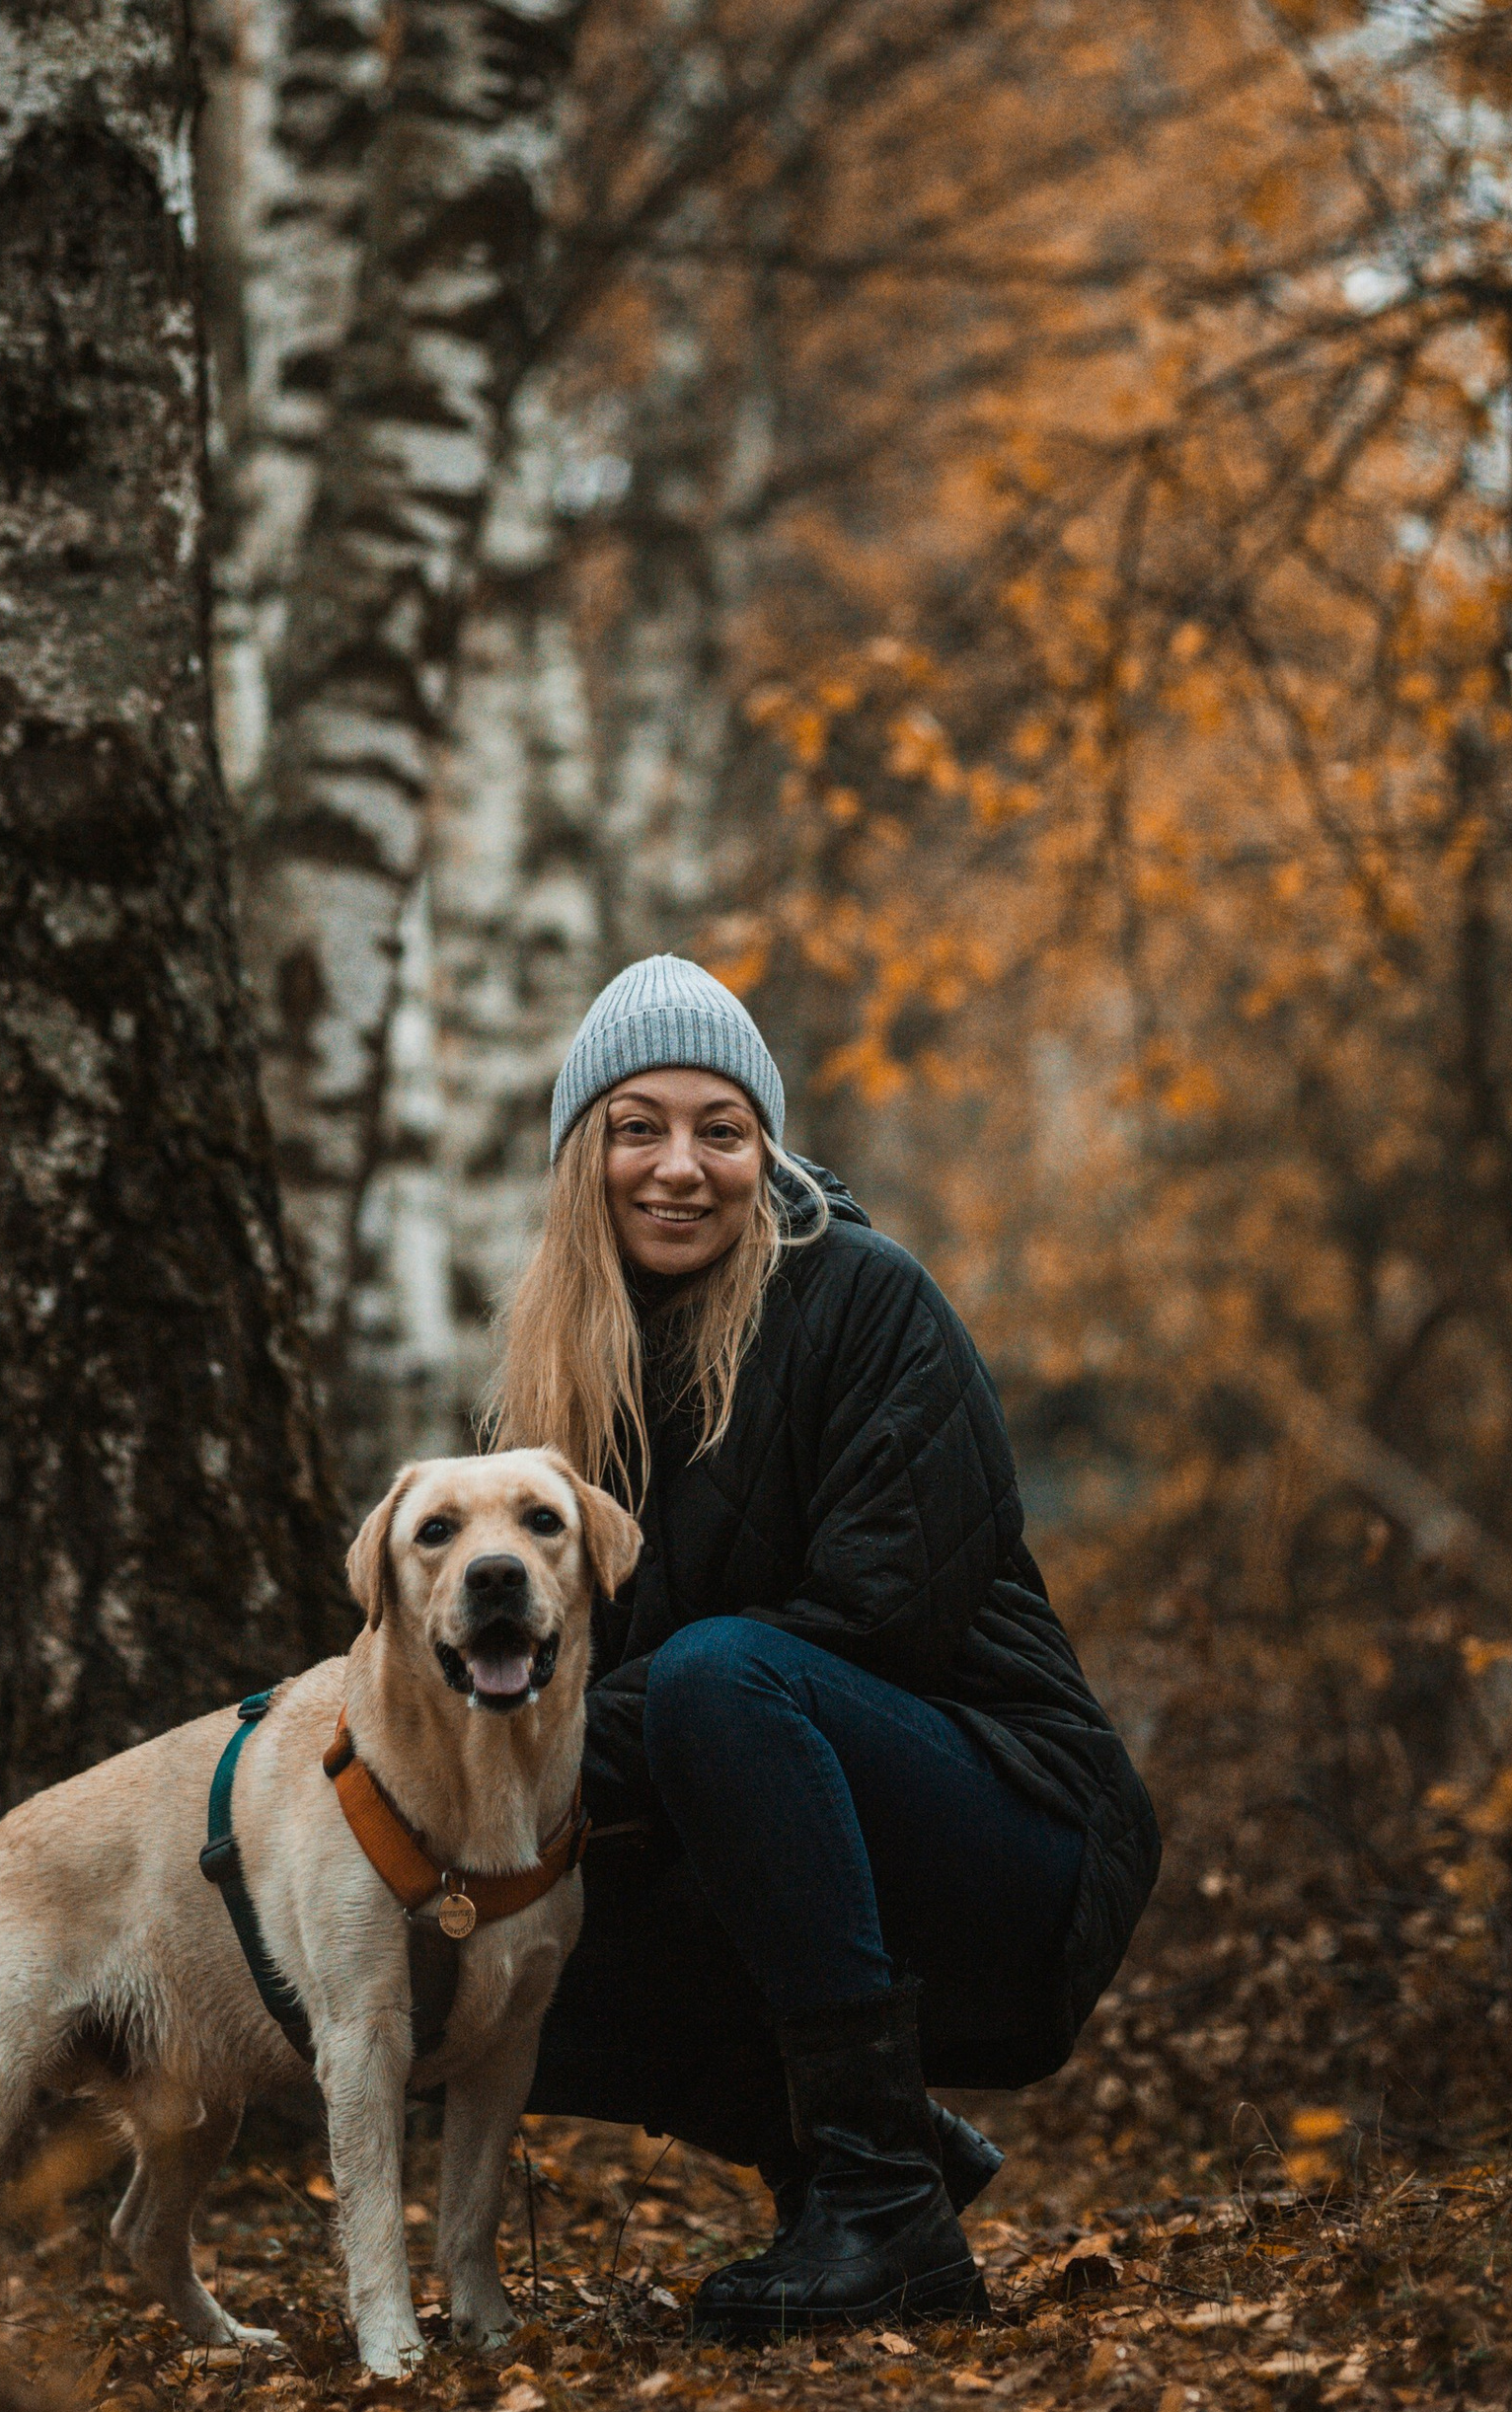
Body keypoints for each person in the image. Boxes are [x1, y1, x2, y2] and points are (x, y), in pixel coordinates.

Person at [491, 953, 1162, 2339]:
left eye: (720, 1130)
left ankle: (888, 2216)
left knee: (718, 1679)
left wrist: (556, 1745)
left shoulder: (865, 1301)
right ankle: (847, 2151)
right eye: (638, 1126)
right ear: (582, 1154)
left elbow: (881, 1617)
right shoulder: (549, 1387)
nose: (680, 1166)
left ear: (764, 1150)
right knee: (465, 1946)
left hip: (1012, 1833)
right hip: (767, 1847)